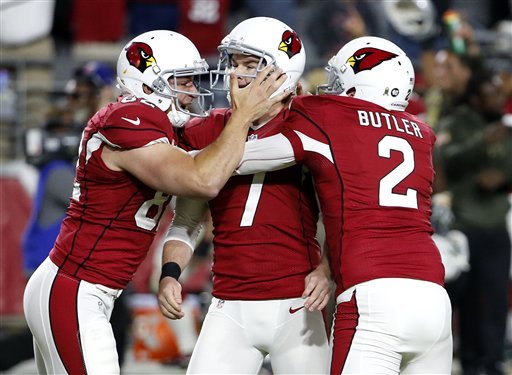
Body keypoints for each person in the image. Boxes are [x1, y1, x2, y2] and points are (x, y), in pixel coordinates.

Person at [22, 29, 287, 375]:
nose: (192, 94)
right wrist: (240, 117)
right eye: (184, 83)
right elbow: (202, 180)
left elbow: (228, 134)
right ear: (147, 86)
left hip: (85, 289)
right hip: (76, 288)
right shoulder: (124, 119)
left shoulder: (163, 125)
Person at [234, 36, 453, 374]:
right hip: (434, 299)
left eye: (339, 80)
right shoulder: (422, 132)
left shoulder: (330, 116)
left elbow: (237, 161)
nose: (332, 89)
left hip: (374, 296)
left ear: (358, 84)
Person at [158, 17, 331, 374]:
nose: (235, 75)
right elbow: (188, 219)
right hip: (228, 302)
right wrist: (170, 273)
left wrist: (327, 268)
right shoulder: (208, 127)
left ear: (282, 72)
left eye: (249, 65)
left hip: (297, 304)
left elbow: (341, 211)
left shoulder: (310, 122)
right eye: (233, 63)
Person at [436, 69, 512, 375]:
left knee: (494, 301)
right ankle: (468, 362)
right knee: (463, 301)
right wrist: (482, 141)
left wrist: (504, 176)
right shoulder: (458, 122)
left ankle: (491, 363)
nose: (498, 99)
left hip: (494, 224)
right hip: (462, 227)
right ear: (475, 98)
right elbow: (444, 158)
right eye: (490, 94)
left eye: (499, 93)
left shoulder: (505, 127)